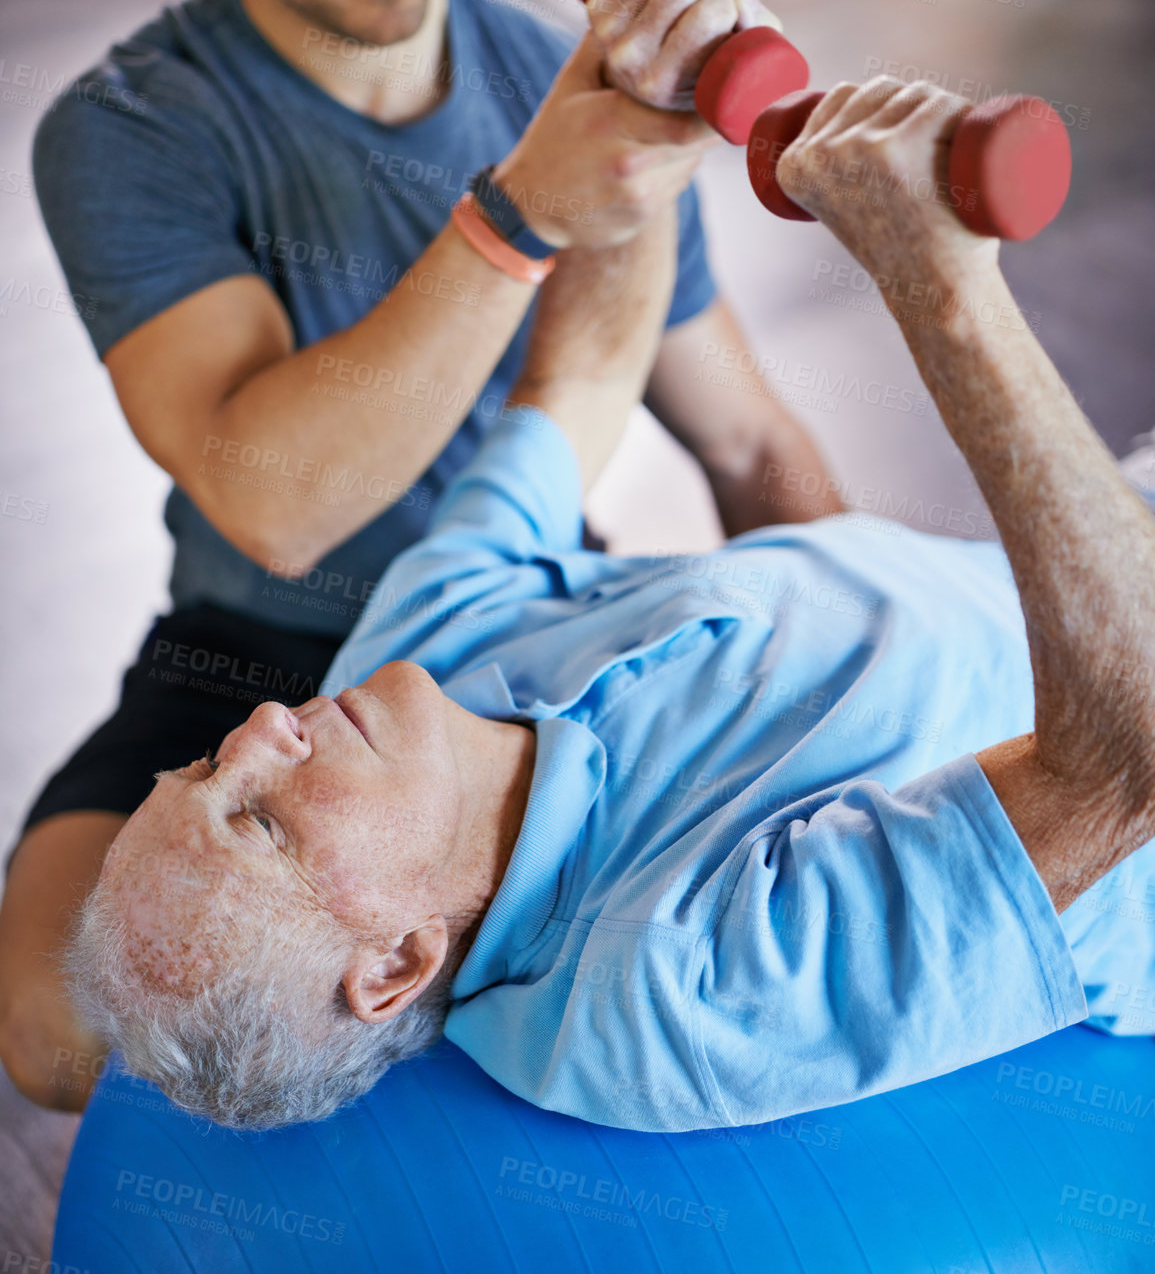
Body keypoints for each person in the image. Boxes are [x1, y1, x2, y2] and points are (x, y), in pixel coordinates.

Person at [0, 0, 837, 1110]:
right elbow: (271, 502)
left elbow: (746, 435)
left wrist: (871, 646)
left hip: (521, 652)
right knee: (52, 1025)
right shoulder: (124, 128)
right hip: (254, 658)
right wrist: (514, 214)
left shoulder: (553, 77)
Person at [70, 76, 1155, 1133]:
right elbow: (1124, 761)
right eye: (262, 822)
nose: (265, 727)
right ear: (397, 961)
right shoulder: (666, 989)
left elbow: (582, 381)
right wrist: (940, 284)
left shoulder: (412, 658)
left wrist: (646, 106)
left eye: (210, 765)